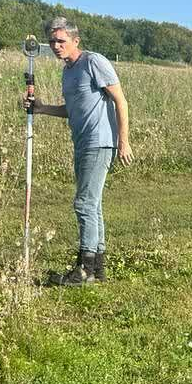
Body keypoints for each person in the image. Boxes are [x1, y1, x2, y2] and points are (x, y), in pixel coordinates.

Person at [22, 17, 134, 284]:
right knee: (92, 204)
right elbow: (72, 110)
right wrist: (41, 108)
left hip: (99, 141)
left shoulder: (93, 62)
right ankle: (98, 268)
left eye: (61, 41)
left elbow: (120, 100)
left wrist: (124, 141)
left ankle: (84, 269)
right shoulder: (68, 72)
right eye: (52, 41)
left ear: (75, 41)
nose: (56, 46)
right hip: (82, 141)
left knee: (84, 204)